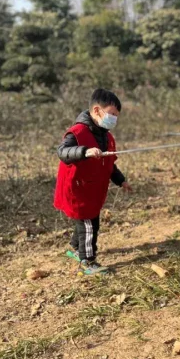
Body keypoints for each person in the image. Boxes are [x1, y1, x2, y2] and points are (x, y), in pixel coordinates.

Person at [54, 88, 132, 275]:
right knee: (90, 224)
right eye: (112, 114)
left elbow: (109, 165)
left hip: (93, 190)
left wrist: (121, 181)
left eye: (116, 116)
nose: (114, 119)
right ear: (97, 111)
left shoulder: (106, 136)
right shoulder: (77, 133)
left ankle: (75, 247)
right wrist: (84, 151)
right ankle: (87, 260)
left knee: (85, 221)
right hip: (78, 190)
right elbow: (62, 152)